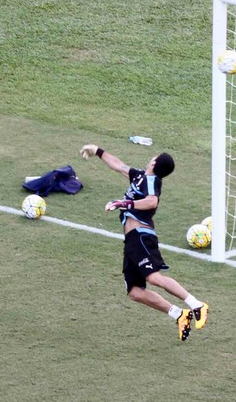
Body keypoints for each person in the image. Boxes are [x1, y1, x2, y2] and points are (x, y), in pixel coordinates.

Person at [79, 144, 208, 341]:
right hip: (131, 241)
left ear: (154, 162)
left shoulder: (151, 180)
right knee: (135, 292)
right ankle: (179, 314)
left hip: (141, 236)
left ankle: (197, 304)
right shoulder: (140, 176)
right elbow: (119, 166)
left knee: (154, 278)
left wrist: (123, 204)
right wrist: (98, 150)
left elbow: (151, 201)